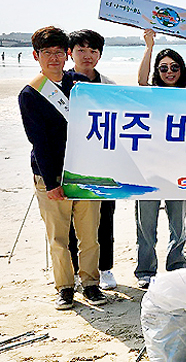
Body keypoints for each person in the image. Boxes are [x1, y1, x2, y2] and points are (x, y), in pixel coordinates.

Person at [18, 26, 106, 309]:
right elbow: (39, 141)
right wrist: (51, 182)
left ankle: (91, 283)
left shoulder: (80, 83)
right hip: (50, 174)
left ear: (67, 54)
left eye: (58, 52)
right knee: (58, 237)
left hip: (85, 171)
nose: (53, 58)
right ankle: (65, 287)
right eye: (47, 53)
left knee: (89, 234)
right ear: (36, 56)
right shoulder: (31, 94)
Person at [134, 28, 186, 288]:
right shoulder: (151, 93)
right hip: (149, 169)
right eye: (164, 68)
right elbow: (141, 81)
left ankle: (177, 264)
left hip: (180, 169)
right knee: (146, 224)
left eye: (174, 67)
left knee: (178, 223)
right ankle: (145, 269)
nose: (169, 72)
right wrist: (149, 48)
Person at [66, 29, 117, 290]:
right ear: (70, 53)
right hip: (70, 163)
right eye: (81, 50)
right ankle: (75, 271)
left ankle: (105, 268)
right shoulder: (60, 84)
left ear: (100, 55)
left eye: (93, 50)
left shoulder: (110, 86)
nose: (87, 55)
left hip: (103, 165)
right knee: (71, 220)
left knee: (104, 218)